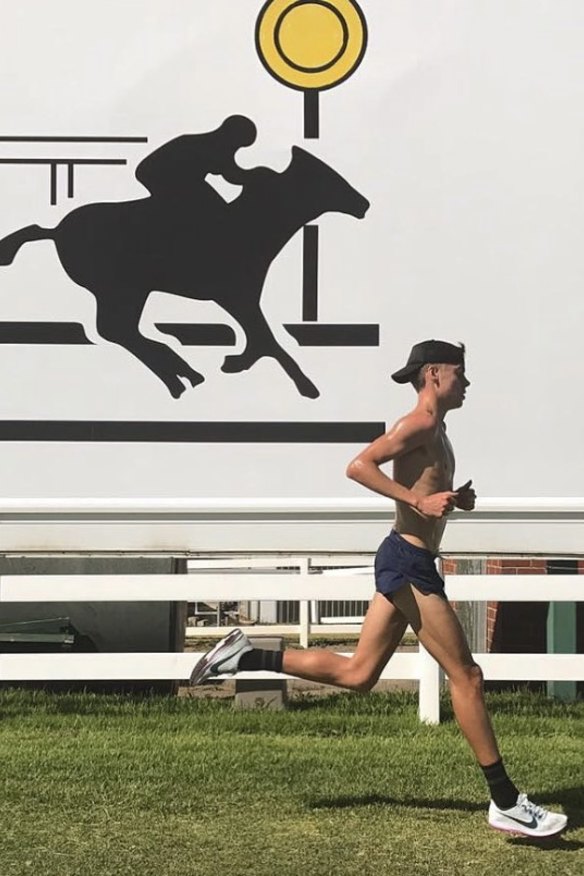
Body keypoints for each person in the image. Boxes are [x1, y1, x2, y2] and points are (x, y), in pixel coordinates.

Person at [190, 339, 567, 838]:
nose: (468, 382)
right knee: (468, 677)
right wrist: (417, 499)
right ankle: (505, 802)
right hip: (409, 562)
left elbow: (424, 492)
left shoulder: (438, 428)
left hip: (407, 557)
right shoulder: (420, 424)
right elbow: (359, 465)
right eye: (461, 372)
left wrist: (451, 499)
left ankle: (246, 656)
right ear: (435, 374)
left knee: (360, 674)